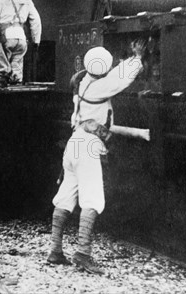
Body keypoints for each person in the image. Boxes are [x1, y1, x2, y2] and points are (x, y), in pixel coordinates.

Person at [47, 41, 146, 274]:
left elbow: (109, 76)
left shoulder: (82, 82)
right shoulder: (101, 87)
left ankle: (55, 251)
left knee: (65, 196)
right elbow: (121, 78)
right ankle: (82, 254)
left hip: (74, 144)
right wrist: (138, 56)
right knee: (92, 198)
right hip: (89, 146)